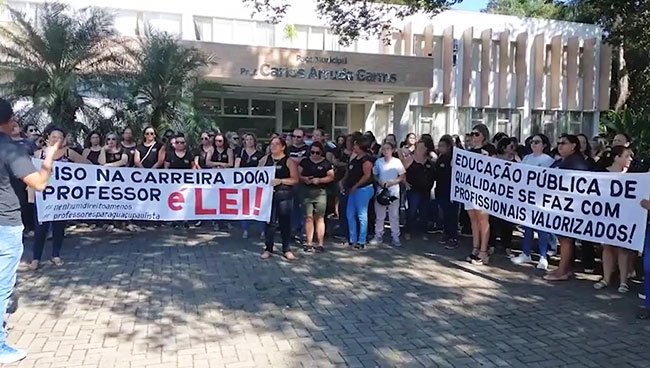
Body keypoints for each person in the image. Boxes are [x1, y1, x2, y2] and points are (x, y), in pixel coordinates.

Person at [0, 98, 60, 363]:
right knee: (2, 286)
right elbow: (39, 183)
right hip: (5, 223)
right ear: (10, 120)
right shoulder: (9, 149)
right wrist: (47, 158)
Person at [30, 125, 89, 271]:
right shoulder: (38, 155)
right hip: (43, 197)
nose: (57, 139)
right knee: (40, 229)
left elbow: (88, 166)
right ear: (48, 137)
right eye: (54, 136)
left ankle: (56, 254)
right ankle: (36, 258)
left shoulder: (69, 153)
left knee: (59, 227)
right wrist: (30, 196)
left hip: (62, 198)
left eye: (60, 137)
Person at [543, 134, 589, 281]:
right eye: (558, 143)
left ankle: (563, 271)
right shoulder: (563, 161)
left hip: (570, 207)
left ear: (573, 146)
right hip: (561, 205)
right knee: (563, 239)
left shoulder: (576, 162)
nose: (560, 146)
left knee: (566, 239)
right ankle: (563, 268)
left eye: (563, 143)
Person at [593, 146, 635, 293]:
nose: (629, 159)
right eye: (626, 156)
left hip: (624, 216)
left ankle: (623, 281)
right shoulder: (603, 173)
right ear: (617, 158)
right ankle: (606, 278)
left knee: (622, 249)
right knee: (607, 247)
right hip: (606, 215)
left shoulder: (634, 176)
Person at [511, 134, 555, 270]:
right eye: (532, 142)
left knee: (542, 229)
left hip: (542, 199)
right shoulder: (527, 158)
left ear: (544, 145)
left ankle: (543, 256)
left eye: (537, 142)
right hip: (528, 198)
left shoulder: (548, 160)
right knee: (527, 228)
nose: (534, 144)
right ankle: (525, 253)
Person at [260, 137, 299, 260]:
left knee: (285, 223)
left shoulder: (288, 161)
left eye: (277, 144)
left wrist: (281, 181)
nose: (273, 146)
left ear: (283, 147)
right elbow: (257, 175)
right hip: (269, 196)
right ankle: (268, 248)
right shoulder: (265, 159)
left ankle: (286, 249)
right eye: (271, 144)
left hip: (284, 195)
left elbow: (295, 179)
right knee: (269, 223)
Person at [465, 124, 495, 265]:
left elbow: (495, 167)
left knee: (483, 219)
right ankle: (475, 248)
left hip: (484, 189)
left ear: (483, 135)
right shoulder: (469, 151)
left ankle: (484, 251)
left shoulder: (489, 150)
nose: (473, 137)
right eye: (472, 134)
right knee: (473, 220)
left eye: (476, 134)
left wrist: (488, 158)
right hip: (470, 188)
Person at [299, 142, 334, 252]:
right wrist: (304, 179)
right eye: (312, 152)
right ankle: (309, 243)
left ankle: (320, 244)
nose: (314, 154)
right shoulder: (305, 161)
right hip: (306, 191)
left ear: (321, 152)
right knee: (308, 217)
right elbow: (298, 174)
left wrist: (319, 180)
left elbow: (331, 177)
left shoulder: (325, 163)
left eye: (317, 152)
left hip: (320, 192)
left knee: (319, 218)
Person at [340, 136, 374, 249]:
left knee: (361, 214)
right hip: (352, 189)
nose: (353, 146)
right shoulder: (355, 158)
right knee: (350, 213)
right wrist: (343, 182)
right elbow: (349, 172)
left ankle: (361, 240)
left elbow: (367, 175)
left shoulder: (366, 159)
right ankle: (352, 238)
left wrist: (356, 185)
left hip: (363, 189)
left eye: (355, 144)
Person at [369, 141, 405, 247]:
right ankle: (378, 235)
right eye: (384, 149)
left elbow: (402, 176)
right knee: (380, 216)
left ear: (392, 150)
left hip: (393, 191)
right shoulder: (379, 162)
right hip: (381, 191)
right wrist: (380, 182)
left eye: (388, 149)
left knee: (394, 216)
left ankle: (395, 236)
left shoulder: (397, 162)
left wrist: (392, 182)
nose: (385, 151)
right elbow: (374, 174)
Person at [402, 141, 435, 241]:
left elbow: (433, 174)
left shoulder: (429, 160)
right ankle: (408, 230)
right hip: (413, 189)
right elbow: (401, 171)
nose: (420, 150)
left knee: (424, 211)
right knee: (412, 210)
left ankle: (424, 231)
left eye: (422, 147)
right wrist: (405, 183)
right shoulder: (410, 159)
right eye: (418, 147)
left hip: (425, 190)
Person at [236, 133, 264, 239]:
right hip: (244, 185)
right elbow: (236, 167)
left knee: (259, 207)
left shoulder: (259, 154)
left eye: (251, 139)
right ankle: (245, 229)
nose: (249, 141)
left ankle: (262, 230)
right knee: (245, 207)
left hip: (256, 185)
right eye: (247, 139)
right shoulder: (241, 153)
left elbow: (261, 168)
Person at [435, 135, 459, 249]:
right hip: (441, 190)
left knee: (452, 215)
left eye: (442, 146)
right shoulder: (440, 158)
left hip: (451, 191)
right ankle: (446, 233)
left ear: (449, 146)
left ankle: (453, 237)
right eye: (439, 146)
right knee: (444, 214)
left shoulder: (453, 158)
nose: (440, 148)